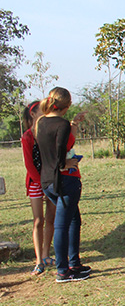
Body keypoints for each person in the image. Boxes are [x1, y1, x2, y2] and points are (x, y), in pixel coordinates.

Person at [34, 87, 91, 283]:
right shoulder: (62, 124)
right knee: (61, 225)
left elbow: (46, 150)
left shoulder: (41, 122)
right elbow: (60, 150)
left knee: (74, 219)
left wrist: (74, 122)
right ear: (67, 105)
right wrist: (65, 164)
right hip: (64, 180)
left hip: (47, 180)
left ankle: (74, 264)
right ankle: (63, 271)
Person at [20, 101, 56, 275]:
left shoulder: (48, 133)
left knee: (51, 218)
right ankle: (38, 260)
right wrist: (40, 183)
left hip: (51, 180)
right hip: (36, 182)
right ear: (33, 114)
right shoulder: (27, 137)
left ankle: (46, 255)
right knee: (38, 220)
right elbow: (29, 164)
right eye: (43, 111)